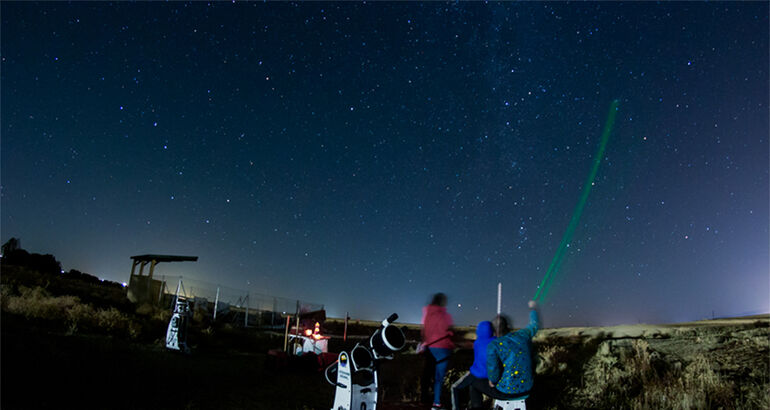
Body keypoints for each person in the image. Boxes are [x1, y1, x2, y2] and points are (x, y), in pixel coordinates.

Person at [470, 301, 540, 404]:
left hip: (507, 392)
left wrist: (492, 381)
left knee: (474, 384)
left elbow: (493, 373)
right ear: (508, 325)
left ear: (493, 331)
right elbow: (534, 325)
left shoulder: (494, 345)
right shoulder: (523, 335)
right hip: (528, 388)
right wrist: (533, 309)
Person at [450, 320, 495, 410]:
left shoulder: (478, 342)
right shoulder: (496, 342)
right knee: (474, 386)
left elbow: (467, 345)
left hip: (477, 374)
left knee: (455, 387)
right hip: (491, 376)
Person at [421, 292, 455, 410]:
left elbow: (424, 331)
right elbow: (449, 332)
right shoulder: (446, 316)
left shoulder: (427, 313)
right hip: (443, 348)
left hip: (430, 347)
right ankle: (436, 402)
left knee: (428, 374)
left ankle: (425, 398)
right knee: (439, 377)